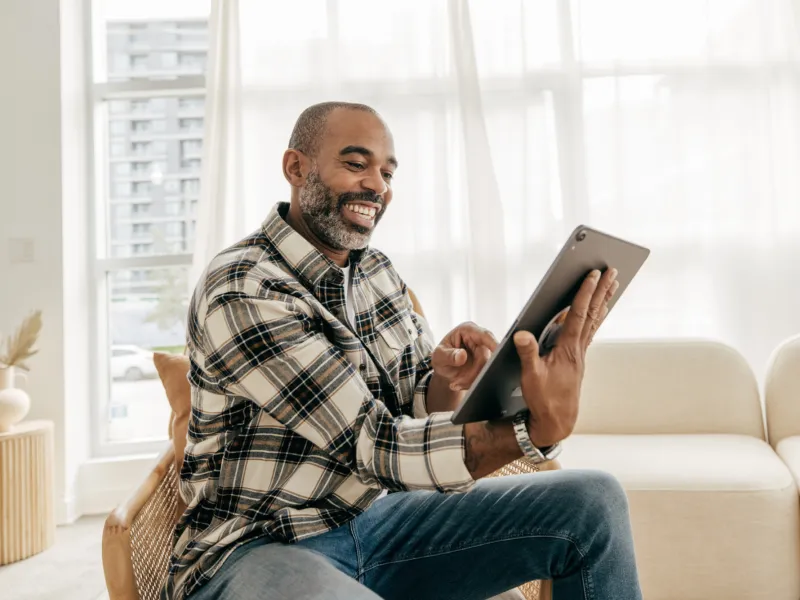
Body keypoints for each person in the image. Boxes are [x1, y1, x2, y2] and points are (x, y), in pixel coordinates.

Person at [162, 101, 642, 600]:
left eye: (387, 172)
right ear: (295, 167)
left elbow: (414, 408)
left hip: (379, 520)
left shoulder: (375, 272)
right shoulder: (244, 289)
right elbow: (379, 444)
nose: (378, 185)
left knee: (593, 501)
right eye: (356, 164)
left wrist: (447, 380)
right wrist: (533, 429)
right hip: (260, 546)